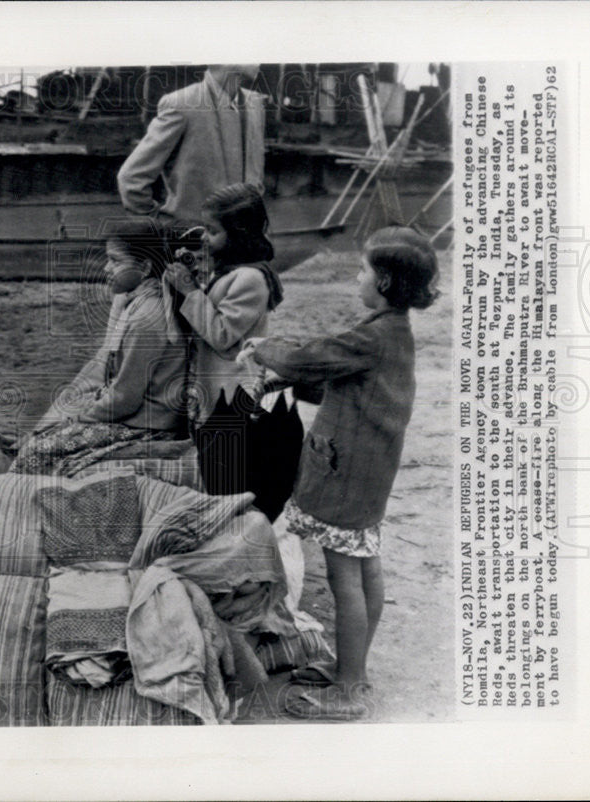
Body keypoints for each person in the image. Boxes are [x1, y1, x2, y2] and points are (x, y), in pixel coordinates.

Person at [243, 226, 440, 720]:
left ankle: (349, 687)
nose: (357, 278)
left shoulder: (372, 335)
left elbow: (313, 357)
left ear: (386, 282)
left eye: (363, 271)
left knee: (343, 577)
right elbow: (345, 383)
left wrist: (264, 350)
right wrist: (289, 380)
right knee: (364, 564)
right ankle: (353, 670)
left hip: (347, 472)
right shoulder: (393, 333)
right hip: (371, 469)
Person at [10, 218, 188, 476]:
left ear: (146, 266)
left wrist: (77, 418)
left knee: (38, 451)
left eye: (116, 261)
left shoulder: (147, 316)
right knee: (48, 427)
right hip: (129, 414)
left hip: (145, 423)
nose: (106, 268)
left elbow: (125, 398)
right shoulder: (136, 302)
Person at [164, 183, 283, 500]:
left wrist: (191, 292)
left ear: (240, 232)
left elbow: (221, 336)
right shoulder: (229, 272)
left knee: (228, 477)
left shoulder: (251, 279)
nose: (204, 237)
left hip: (232, 398)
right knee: (214, 469)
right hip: (214, 394)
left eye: (212, 231)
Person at [117, 65, 265, 225]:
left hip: (246, 244)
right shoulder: (182, 104)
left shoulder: (255, 104)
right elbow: (131, 178)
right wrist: (158, 229)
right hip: (193, 243)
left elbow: (256, 178)